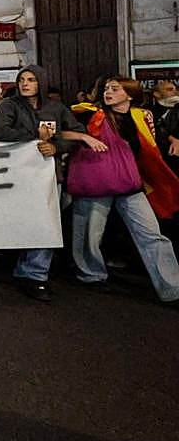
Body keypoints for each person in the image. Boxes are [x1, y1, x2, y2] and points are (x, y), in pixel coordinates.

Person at [62, 76, 179, 302]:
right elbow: (60, 132)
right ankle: (91, 276)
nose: (108, 92)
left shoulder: (142, 116)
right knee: (88, 235)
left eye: (115, 89)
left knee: (152, 235)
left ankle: (172, 287)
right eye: (107, 88)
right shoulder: (87, 113)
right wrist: (83, 136)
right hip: (96, 183)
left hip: (129, 183)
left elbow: (150, 148)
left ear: (129, 94)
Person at [0, 66, 85, 301]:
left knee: (47, 222)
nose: (25, 84)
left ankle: (35, 274)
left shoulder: (56, 108)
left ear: (40, 82)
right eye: (22, 79)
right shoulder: (9, 105)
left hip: (49, 175)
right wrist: (34, 139)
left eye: (31, 80)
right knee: (24, 221)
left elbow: (76, 133)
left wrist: (57, 146)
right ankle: (21, 265)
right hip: (17, 175)